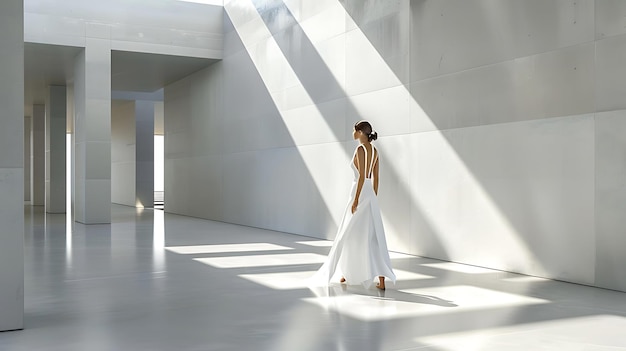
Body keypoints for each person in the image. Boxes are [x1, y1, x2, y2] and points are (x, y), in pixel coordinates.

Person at [312, 121, 396, 290]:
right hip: (370, 195)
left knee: (348, 232)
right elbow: (375, 179)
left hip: (360, 193)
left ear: (360, 132)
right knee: (372, 236)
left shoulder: (361, 149)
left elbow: (362, 177)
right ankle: (375, 279)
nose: (352, 133)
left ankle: (346, 272)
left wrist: (357, 199)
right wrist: (372, 197)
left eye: (354, 130)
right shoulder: (375, 151)